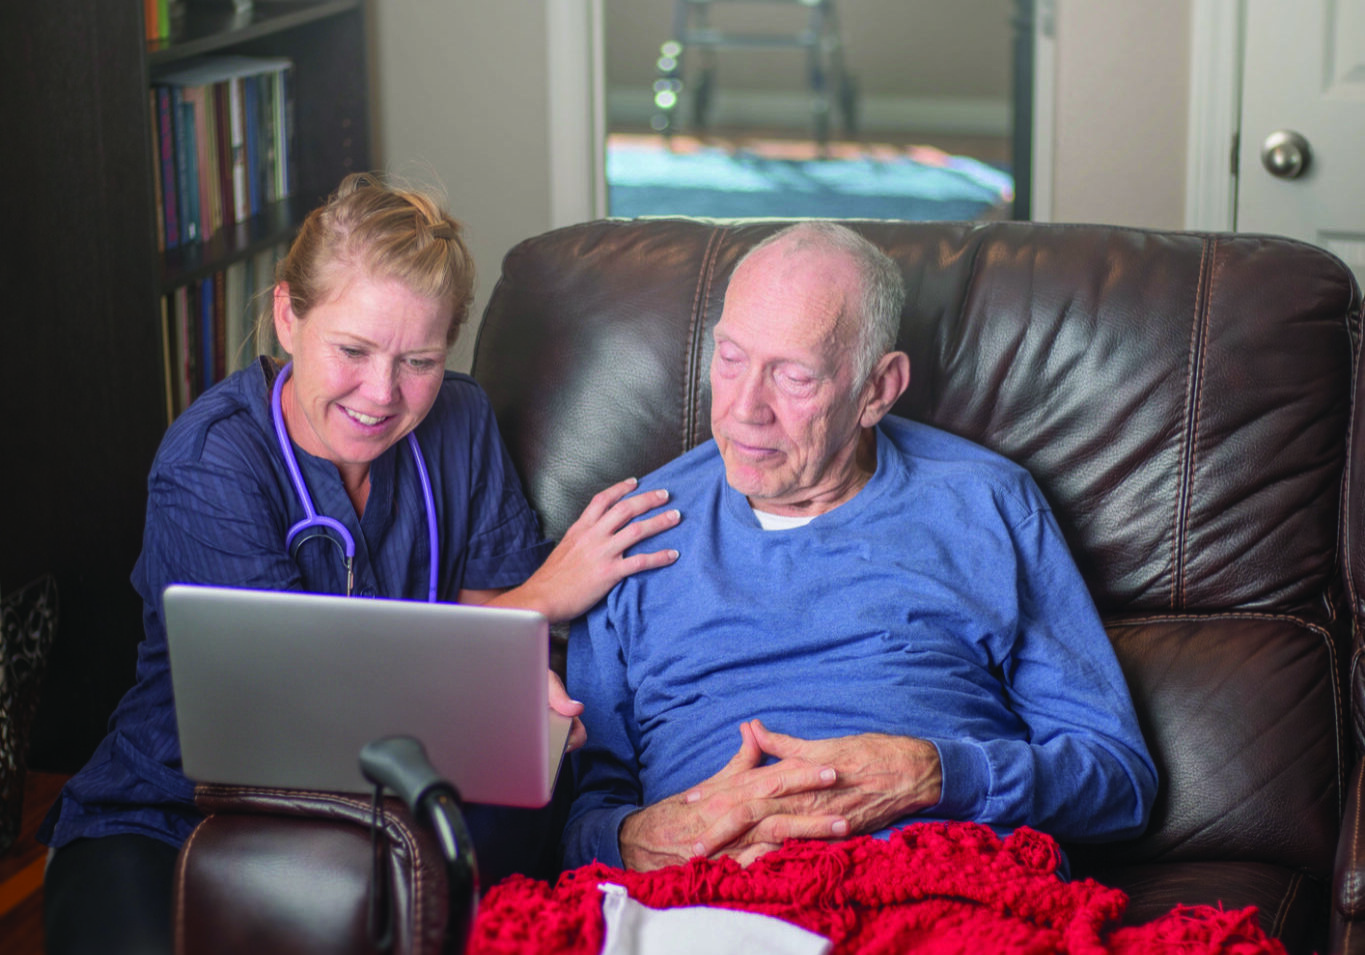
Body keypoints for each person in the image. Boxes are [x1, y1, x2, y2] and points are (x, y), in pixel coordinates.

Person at [39, 172, 680, 955]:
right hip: (176, 807)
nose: (381, 393)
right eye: (353, 349)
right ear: (287, 315)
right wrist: (544, 597)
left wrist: (519, 694)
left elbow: (481, 628)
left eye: (419, 358)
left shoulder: (460, 420)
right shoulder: (211, 462)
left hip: (398, 798)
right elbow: (296, 703)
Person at [562, 221, 1158, 873]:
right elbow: (581, 806)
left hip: (941, 880)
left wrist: (936, 772)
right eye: (729, 359)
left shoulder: (988, 502)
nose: (742, 410)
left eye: (792, 376)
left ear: (877, 388)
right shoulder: (629, 528)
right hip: (706, 896)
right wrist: (629, 838)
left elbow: (1119, 782)